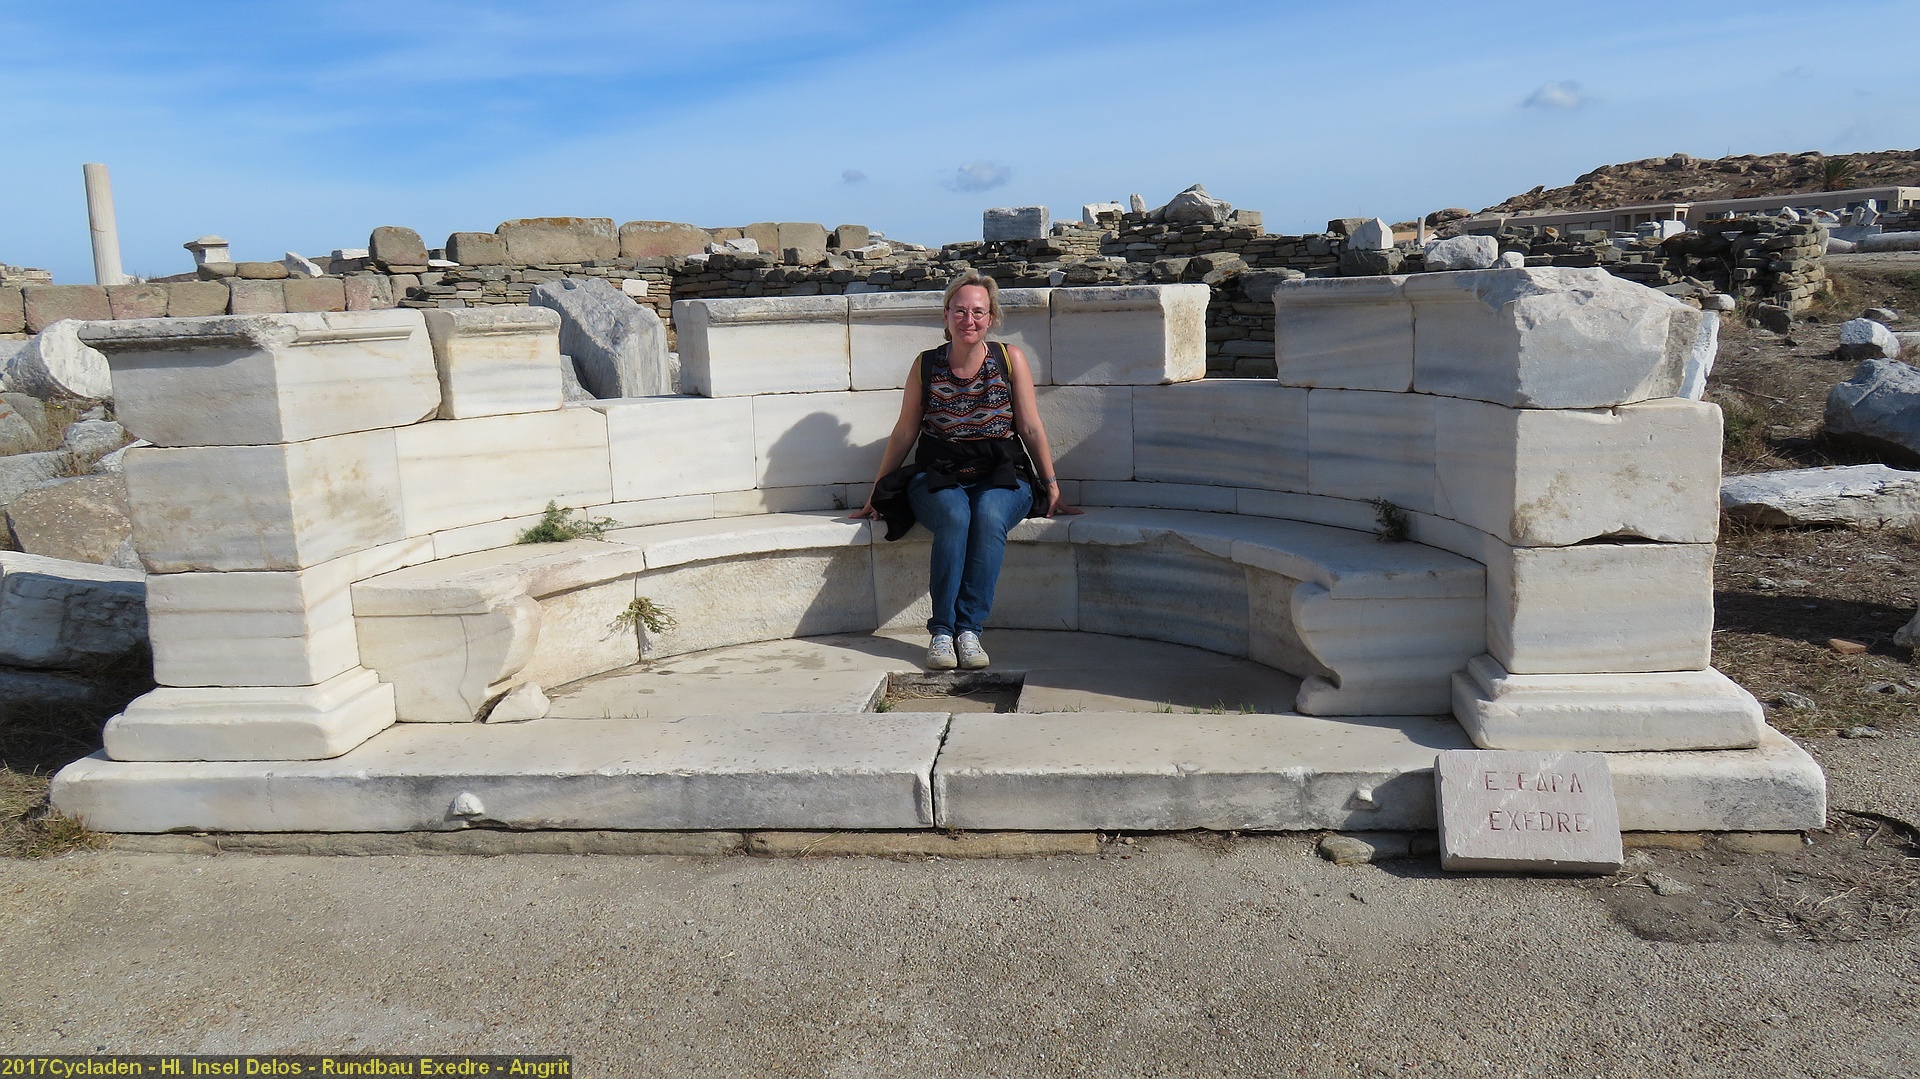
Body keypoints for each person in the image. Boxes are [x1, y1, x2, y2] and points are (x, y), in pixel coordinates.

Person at [853, 271, 1078, 670]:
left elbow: (1029, 427)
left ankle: (969, 631)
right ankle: (942, 632)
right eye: (959, 311)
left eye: (978, 312)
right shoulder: (926, 365)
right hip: (939, 472)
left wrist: (1051, 485)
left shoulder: (1009, 359)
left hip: (1002, 473)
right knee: (955, 517)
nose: (968, 320)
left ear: (991, 318)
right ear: (946, 316)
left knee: (989, 515)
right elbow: (905, 432)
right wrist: (877, 490)